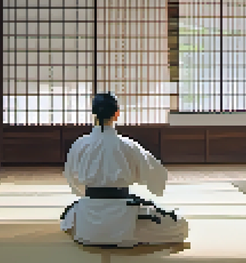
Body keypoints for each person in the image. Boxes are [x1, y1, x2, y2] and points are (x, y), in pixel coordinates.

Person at [60, 92, 188, 247]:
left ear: (93, 114)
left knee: (70, 217)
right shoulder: (128, 145)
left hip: (88, 223)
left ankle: (93, 231)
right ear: (117, 114)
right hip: (123, 216)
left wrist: (90, 192)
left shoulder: (79, 145)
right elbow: (156, 173)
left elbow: (72, 180)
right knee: (180, 224)